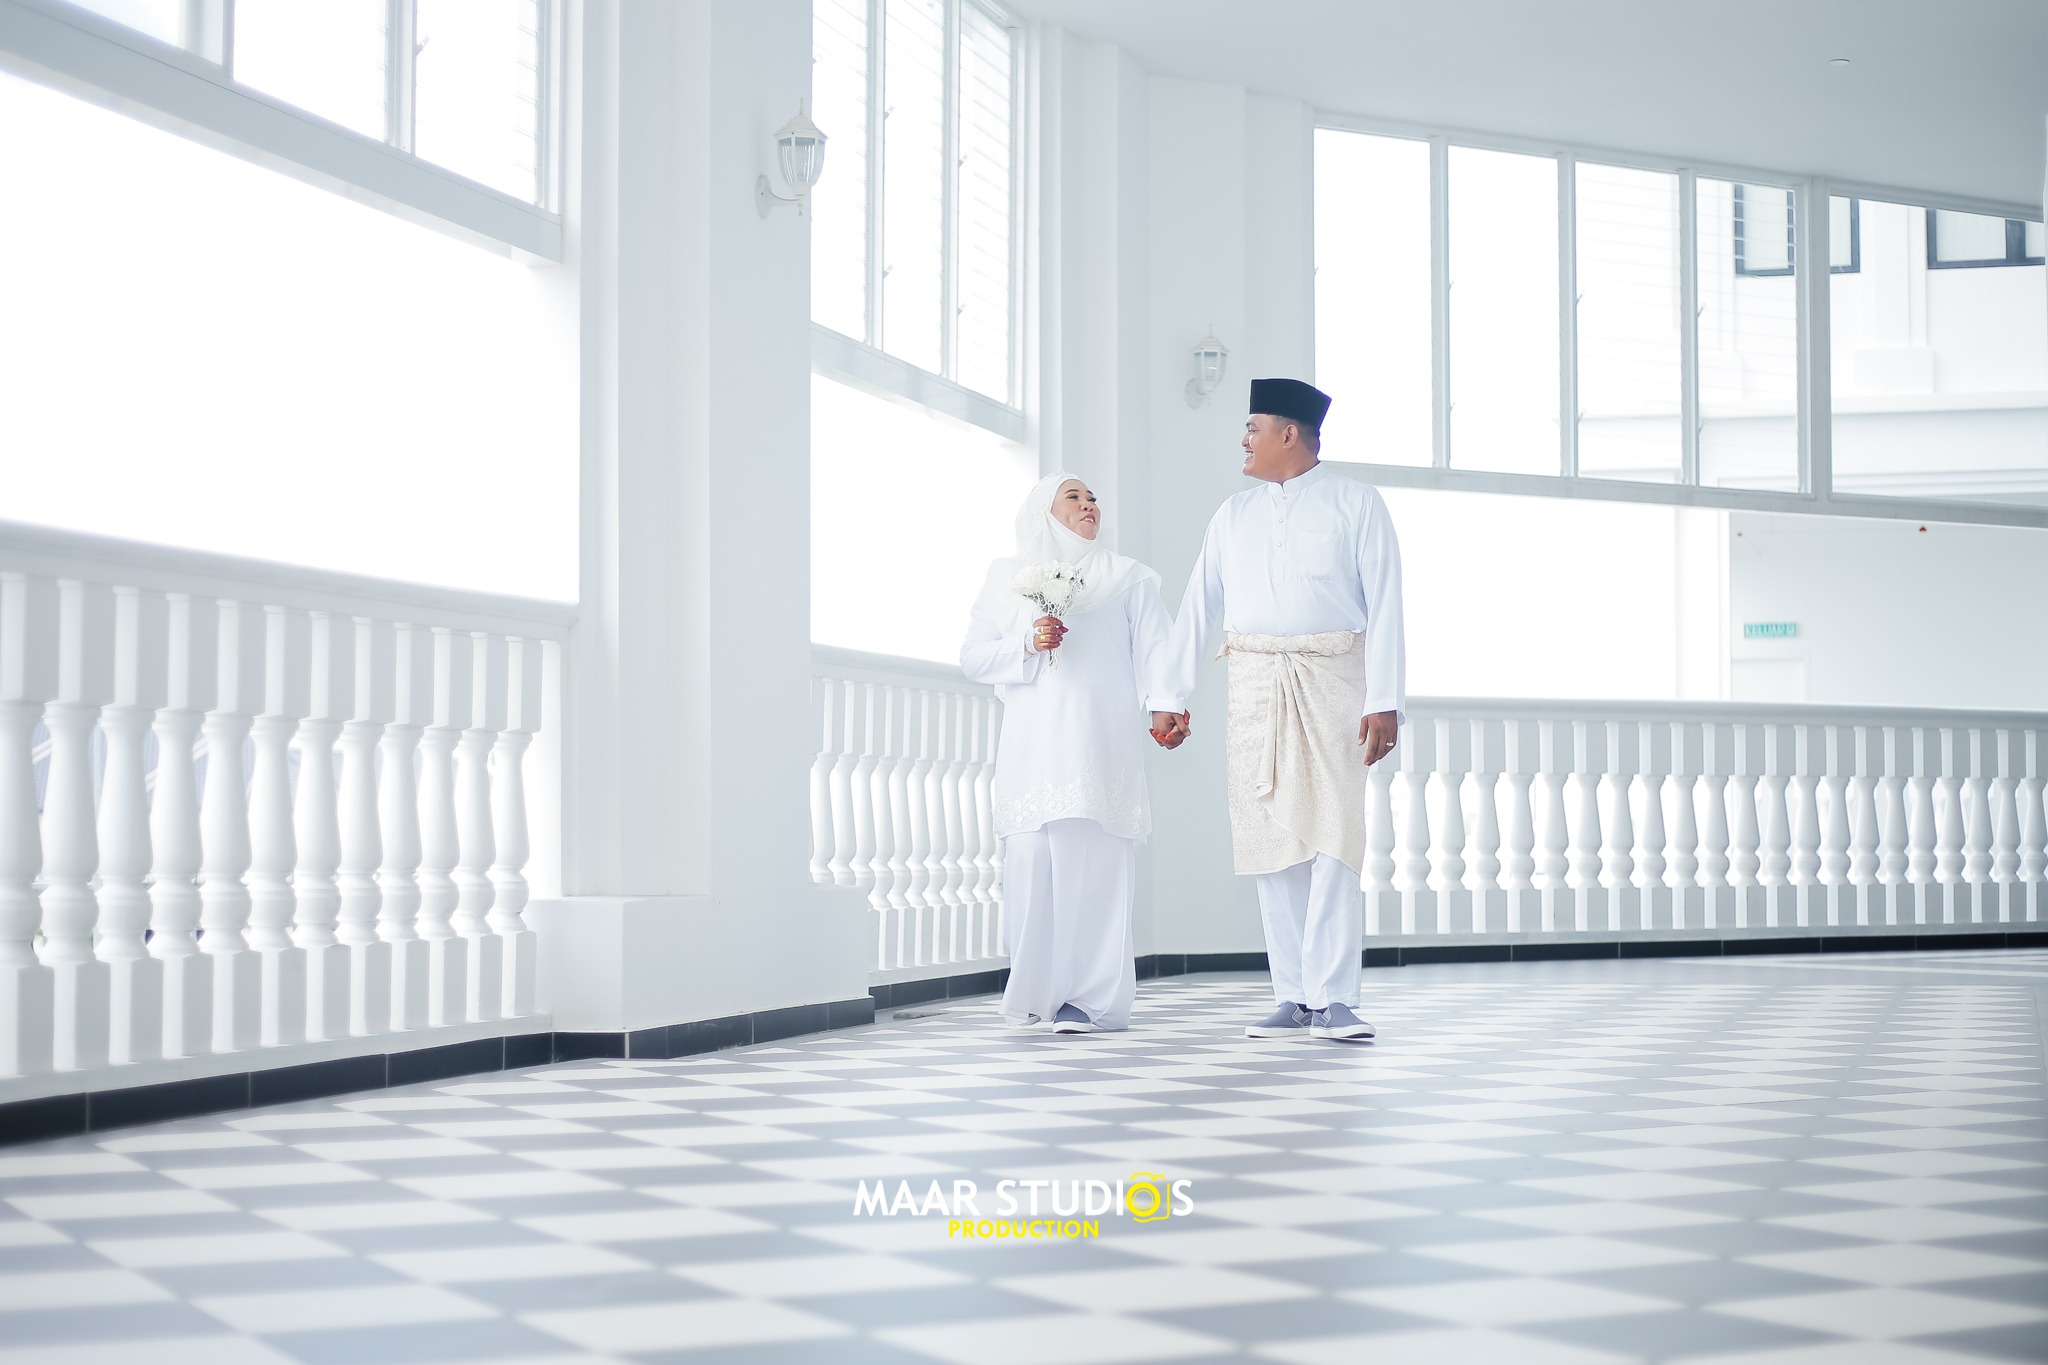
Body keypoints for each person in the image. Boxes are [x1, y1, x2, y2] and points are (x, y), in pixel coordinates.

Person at [1156, 379, 1405, 1042]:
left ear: (1288, 434)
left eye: (1252, 428)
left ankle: (1335, 998)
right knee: (1270, 836)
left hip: (1334, 682)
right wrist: (1167, 697)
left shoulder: (1357, 503)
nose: (1243, 440)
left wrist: (1385, 700)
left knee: (1334, 835)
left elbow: (1385, 604)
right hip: (1255, 684)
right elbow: (1198, 606)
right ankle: (1293, 994)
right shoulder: (1232, 515)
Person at [961, 473, 1188, 1034]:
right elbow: (972, 657)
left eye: (1093, 499)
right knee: (1032, 862)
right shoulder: (1008, 577)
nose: (1089, 506)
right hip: (1032, 743)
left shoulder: (1127, 577)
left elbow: (1159, 649)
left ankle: (1089, 1001)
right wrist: (1027, 642)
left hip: (1098, 740)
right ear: (1044, 511)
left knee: (1095, 864)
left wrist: (1166, 705)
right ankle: (1035, 992)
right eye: (1074, 497)